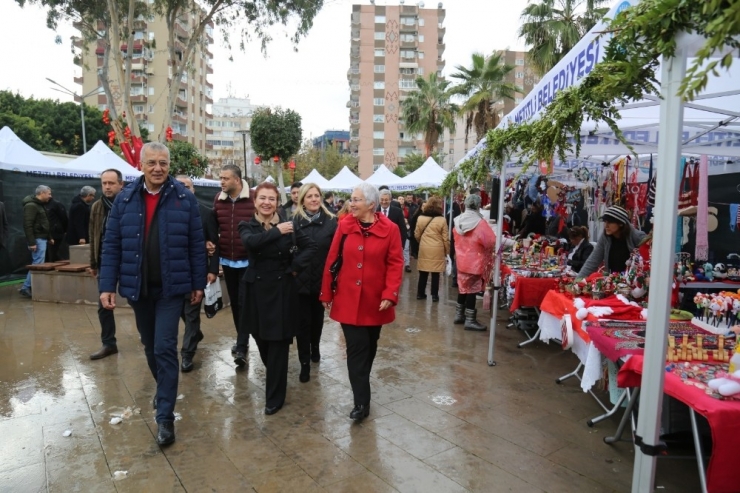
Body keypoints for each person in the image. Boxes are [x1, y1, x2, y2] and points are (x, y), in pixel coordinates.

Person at [99, 142, 206, 446]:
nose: (158, 168)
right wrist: (107, 286)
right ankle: (165, 392)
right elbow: (112, 245)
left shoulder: (184, 199)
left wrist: (198, 283)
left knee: (164, 347)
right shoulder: (125, 199)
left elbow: (196, 246)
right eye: (152, 163)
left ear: (169, 165)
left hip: (171, 290)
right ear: (141, 166)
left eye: (163, 163)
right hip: (138, 289)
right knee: (149, 345)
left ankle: (165, 418)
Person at [320, 183, 403, 422]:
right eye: (351, 199)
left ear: (371, 203)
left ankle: (361, 387)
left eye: (356, 199)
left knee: (370, 346)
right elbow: (332, 259)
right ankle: (361, 402)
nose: (351, 203)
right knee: (356, 349)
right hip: (347, 299)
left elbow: (395, 263)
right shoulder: (344, 226)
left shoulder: (391, 229)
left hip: (375, 301)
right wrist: (326, 293)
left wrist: (390, 293)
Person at [236, 182, 316, 414]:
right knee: (261, 339)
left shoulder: (289, 226)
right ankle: (276, 375)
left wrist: (294, 267)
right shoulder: (247, 225)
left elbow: (311, 246)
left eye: (271, 199)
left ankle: (274, 397)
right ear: (255, 201)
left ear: (277, 202)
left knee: (279, 343)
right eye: (262, 198)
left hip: (282, 289)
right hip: (256, 291)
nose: (267, 203)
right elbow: (251, 243)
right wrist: (276, 231)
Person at [292, 183, 337, 382]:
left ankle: (315, 348)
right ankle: (304, 363)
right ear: (302, 199)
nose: (313, 199)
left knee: (317, 321)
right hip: (299, 282)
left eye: (316, 195)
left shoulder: (331, 222)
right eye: (309, 196)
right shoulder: (294, 221)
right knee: (302, 323)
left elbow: (337, 253)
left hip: (321, 280)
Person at [176, 175, 220, 373]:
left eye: (187, 186)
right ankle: (195, 335)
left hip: (196, 271)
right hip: (173, 272)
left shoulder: (206, 213)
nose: (183, 189)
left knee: (192, 313)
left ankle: (187, 354)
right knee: (179, 312)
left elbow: (215, 244)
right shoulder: (166, 210)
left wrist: (212, 270)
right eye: (179, 186)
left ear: (193, 189)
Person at [213, 164, 255, 355]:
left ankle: (242, 343)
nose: (221, 181)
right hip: (228, 262)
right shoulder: (218, 200)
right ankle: (242, 341)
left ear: (237, 180)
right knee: (237, 305)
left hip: (249, 261)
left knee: (245, 302)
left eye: (225, 178)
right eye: (220, 178)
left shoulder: (254, 198)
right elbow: (215, 228)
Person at [88, 170, 124, 360]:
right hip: (105, 262)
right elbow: (94, 235)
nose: (107, 187)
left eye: (111, 183)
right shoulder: (96, 207)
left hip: (128, 261)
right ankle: (109, 343)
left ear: (121, 184)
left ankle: (150, 340)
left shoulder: (129, 204)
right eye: (104, 183)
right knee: (104, 305)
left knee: (142, 302)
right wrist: (93, 262)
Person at [452, 194, 495, 331]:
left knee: (462, 288)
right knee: (472, 290)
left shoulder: (457, 220)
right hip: (475, 262)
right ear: (478, 205)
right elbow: (491, 242)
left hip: (461, 260)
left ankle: (459, 315)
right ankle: (470, 320)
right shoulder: (480, 223)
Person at [577, 205, 645, 278]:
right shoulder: (605, 237)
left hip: (633, 284)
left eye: (610, 222)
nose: (606, 225)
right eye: (605, 221)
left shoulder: (637, 237)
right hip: (612, 283)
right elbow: (592, 262)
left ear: (621, 223)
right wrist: (576, 283)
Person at [21, 185, 53, 298]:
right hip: (37, 239)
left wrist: (49, 237)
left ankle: (30, 286)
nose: (50, 196)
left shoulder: (39, 205)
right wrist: (32, 242)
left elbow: (44, 222)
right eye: (49, 194)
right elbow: (28, 225)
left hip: (41, 238)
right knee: (37, 264)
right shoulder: (31, 206)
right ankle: (26, 287)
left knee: (38, 263)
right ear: (42, 193)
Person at [414, 196, 449, 302]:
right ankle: (434, 295)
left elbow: (416, 234)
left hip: (424, 248)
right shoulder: (442, 220)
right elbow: (445, 238)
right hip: (437, 249)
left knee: (423, 272)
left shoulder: (420, 218)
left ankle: (420, 293)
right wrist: (447, 251)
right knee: (436, 273)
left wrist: (422, 241)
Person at [377, 189, 406, 253]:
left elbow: (403, 229)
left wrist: (401, 246)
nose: (384, 202)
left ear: (390, 200)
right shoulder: (375, 211)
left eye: (386, 200)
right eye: (382, 200)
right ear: (379, 200)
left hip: (393, 245)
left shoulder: (397, 211)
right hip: (378, 246)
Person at [45, 196, 69, 262]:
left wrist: (64, 229)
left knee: (53, 253)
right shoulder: (41, 205)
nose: (49, 195)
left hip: (55, 233)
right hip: (46, 233)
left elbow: (64, 218)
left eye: (49, 193)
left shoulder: (56, 204)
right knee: (48, 254)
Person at [397, 196, 412, 273]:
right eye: (400, 199)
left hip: (406, 229)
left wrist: (407, 221)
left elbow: (410, 218)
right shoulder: (394, 208)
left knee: (406, 248)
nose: (401, 200)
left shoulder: (407, 209)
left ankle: (407, 264)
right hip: (398, 231)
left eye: (402, 199)